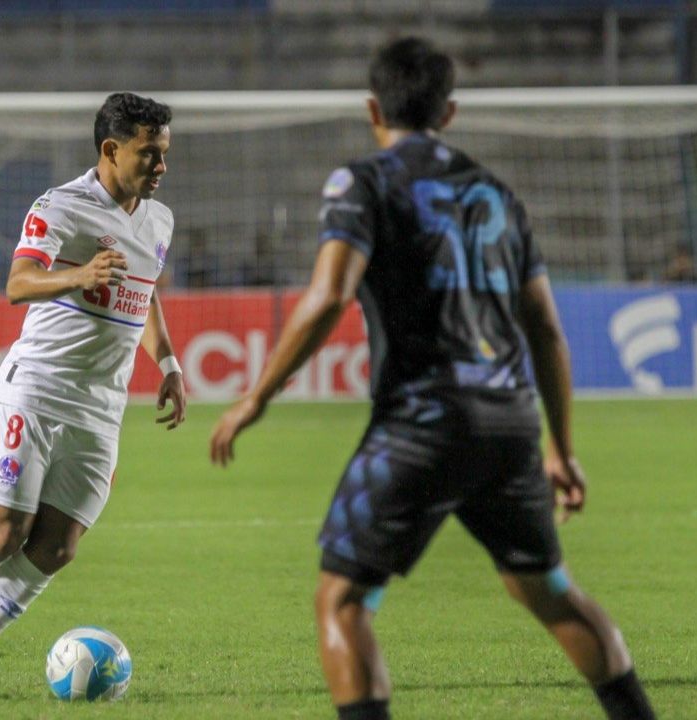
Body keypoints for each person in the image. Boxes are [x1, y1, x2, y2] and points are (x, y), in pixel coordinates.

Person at [209, 39, 656, 720]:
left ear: (371, 107)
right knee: (550, 590)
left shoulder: (362, 182)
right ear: (449, 111)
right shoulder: (497, 194)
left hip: (424, 421)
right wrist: (560, 447)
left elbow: (330, 295)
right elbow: (545, 329)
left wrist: (256, 395)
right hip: (509, 422)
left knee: (344, 599)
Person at [0, 92, 185, 704]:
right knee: (4, 535)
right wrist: (78, 275)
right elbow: (18, 282)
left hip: (101, 410)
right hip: (35, 391)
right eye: (149, 154)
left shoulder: (158, 220)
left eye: (164, 154)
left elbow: (148, 288)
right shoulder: (61, 206)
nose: (161, 165)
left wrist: (166, 361)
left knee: (56, 547)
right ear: (111, 150)